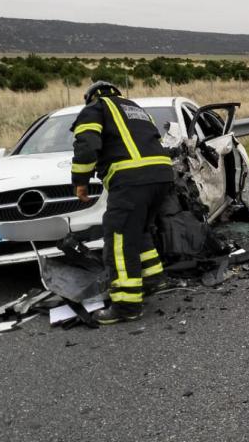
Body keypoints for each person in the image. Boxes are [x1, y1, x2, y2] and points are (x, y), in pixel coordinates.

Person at [71, 81, 174, 323]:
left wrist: (80, 181)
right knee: (140, 229)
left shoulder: (95, 109)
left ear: (91, 97)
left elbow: (87, 146)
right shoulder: (136, 109)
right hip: (162, 176)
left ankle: (126, 305)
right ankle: (153, 279)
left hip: (131, 179)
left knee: (119, 238)